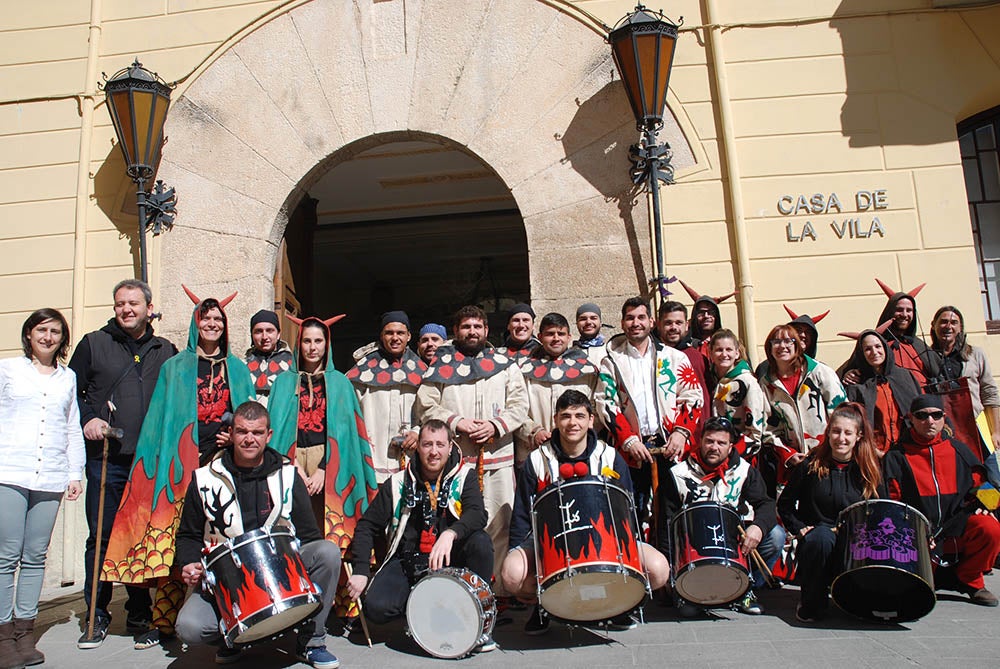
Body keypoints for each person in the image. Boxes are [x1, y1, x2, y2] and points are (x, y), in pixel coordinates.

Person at [100, 287, 255, 644]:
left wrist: (233, 440)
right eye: (206, 318)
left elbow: (250, 419)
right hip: (179, 468)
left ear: (225, 326)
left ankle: (233, 611)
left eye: (218, 319)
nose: (212, 324)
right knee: (175, 543)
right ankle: (164, 622)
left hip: (224, 468)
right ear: (196, 323)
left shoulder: (238, 369)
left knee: (225, 541)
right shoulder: (175, 367)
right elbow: (160, 421)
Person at [174, 401, 342, 667]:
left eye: (257, 432)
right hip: (229, 581)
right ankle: (232, 639)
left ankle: (311, 641)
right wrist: (188, 562)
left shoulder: (288, 476)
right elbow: (187, 535)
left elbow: (310, 536)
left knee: (328, 553)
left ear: (269, 435)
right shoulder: (205, 479)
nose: (249, 439)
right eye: (242, 432)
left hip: (281, 569)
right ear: (231, 434)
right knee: (189, 627)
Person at [501, 391, 670, 634]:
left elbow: (627, 507)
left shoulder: (609, 457)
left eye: (580, 416)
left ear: (591, 420)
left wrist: (629, 547)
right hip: (551, 541)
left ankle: (619, 604)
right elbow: (522, 515)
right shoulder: (538, 459)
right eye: (566, 416)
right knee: (511, 574)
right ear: (556, 420)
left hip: (606, 539)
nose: (573, 423)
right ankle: (544, 606)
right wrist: (518, 548)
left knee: (659, 569)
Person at [69, 279, 176, 649]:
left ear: (149, 307)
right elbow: (72, 394)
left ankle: (140, 612)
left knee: (142, 537)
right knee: (100, 537)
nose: (127, 309)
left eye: (133, 303)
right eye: (120, 304)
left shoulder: (166, 350)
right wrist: (88, 418)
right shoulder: (93, 344)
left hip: (149, 462)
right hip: (108, 460)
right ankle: (96, 615)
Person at [346, 419, 495, 651]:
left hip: (452, 560)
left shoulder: (464, 476)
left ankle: (480, 624)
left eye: (439, 445)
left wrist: (450, 534)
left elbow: (478, 514)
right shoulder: (398, 483)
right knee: (376, 608)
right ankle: (422, 612)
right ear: (418, 447)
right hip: (409, 561)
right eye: (427, 445)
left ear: (449, 446)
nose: (433, 452)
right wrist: (361, 570)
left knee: (481, 543)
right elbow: (367, 526)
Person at [269, 315, 377, 620]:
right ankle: (296, 602)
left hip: (330, 463)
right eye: (307, 341)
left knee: (334, 531)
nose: (312, 347)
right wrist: (293, 468)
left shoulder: (340, 383)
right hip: (291, 462)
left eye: (318, 341)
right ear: (298, 344)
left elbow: (346, 432)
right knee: (298, 532)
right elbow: (276, 428)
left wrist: (323, 470)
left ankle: (341, 604)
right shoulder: (284, 382)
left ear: (326, 344)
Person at [414, 305, 528, 590]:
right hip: (458, 464)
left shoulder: (505, 364)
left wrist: (496, 425)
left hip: (498, 458)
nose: (472, 332)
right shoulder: (440, 366)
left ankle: (497, 592)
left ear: (487, 330)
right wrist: (457, 422)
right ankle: (462, 588)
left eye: (478, 326)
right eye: (466, 327)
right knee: (458, 525)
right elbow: (426, 405)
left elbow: (520, 405)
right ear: (456, 331)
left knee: (501, 525)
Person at [0, 309, 84, 668]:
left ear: (62, 339)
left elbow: (71, 427)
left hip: (50, 475)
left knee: (35, 556)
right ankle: (3, 636)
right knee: (6, 556)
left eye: (55, 331)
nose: (48, 337)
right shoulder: (8, 370)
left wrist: (74, 472)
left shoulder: (68, 377)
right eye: (41, 330)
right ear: (29, 334)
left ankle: (25, 632)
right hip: (10, 471)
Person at [657, 416, 782, 616]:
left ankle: (746, 589)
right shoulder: (678, 474)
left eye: (721, 443)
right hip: (693, 546)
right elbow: (667, 523)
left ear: (730, 447)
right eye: (709, 441)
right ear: (700, 441)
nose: (714, 447)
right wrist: (669, 571)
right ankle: (693, 589)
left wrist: (757, 528)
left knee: (775, 537)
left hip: (735, 542)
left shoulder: (744, 471)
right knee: (688, 612)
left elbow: (766, 504)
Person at [883, 395, 1000, 606]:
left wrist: (987, 505)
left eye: (936, 415)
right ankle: (923, 582)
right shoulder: (896, 456)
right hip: (919, 536)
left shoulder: (959, 450)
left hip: (956, 530)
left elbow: (986, 487)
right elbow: (892, 503)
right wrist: (915, 531)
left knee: (991, 528)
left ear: (944, 418)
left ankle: (971, 580)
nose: (930, 421)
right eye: (922, 416)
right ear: (911, 419)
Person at [596, 297, 703, 528]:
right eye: (630, 318)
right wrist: (628, 440)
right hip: (631, 450)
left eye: (641, 317)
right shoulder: (611, 361)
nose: (636, 323)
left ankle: (671, 561)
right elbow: (606, 403)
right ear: (623, 323)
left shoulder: (675, 358)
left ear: (651, 322)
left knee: (673, 515)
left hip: (670, 446)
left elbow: (693, 397)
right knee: (632, 512)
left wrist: (681, 433)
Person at [777, 403, 884, 622]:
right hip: (820, 534)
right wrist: (799, 528)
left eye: (848, 433)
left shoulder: (869, 469)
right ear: (828, 433)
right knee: (821, 539)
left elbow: (882, 508)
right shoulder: (810, 466)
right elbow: (785, 504)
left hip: (856, 536)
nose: (841, 438)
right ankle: (811, 604)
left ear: (858, 436)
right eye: (836, 431)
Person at [346, 311, 426, 483]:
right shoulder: (362, 372)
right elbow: (348, 414)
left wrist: (418, 431)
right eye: (389, 333)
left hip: (412, 460)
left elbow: (431, 410)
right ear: (381, 336)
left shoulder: (423, 371)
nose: (395, 338)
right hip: (372, 459)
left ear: (409, 336)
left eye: (400, 333)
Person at [758, 324, 846, 480]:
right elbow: (767, 427)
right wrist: (788, 454)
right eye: (776, 342)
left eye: (788, 341)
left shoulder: (819, 372)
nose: (782, 346)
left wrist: (831, 448)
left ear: (797, 345)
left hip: (828, 458)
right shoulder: (766, 384)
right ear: (769, 348)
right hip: (793, 466)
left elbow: (842, 413)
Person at [515, 312, 600, 463]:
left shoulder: (587, 370)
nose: (556, 339)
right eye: (550, 334)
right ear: (540, 337)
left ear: (569, 337)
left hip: (579, 452)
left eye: (561, 334)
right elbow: (516, 408)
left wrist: (579, 434)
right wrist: (534, 431)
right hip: (536, 452)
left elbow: (596, 408)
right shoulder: (523, 371)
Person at [929, 305, 1000, 462]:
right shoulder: (925, 358)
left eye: (954, 322)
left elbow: (990, 392)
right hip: (946, 432)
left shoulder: (976, 354)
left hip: (977, 430)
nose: (948, 326)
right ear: (933, 325)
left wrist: (996, 432)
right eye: (943, 322)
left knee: (993, 480)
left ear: (960, 328)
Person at [841, 329, 922, 454]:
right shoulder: (856, 384)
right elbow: (852, 423)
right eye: (867, 349)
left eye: (878, 346)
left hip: (907, 451)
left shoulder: (905, 376)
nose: (874, 352)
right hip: (874, 452)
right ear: (861, 354)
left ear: (885, 347)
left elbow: (920, 409)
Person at [707, 329, 774, 458]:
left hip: (741, 455)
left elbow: (755, 431)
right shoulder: (714, 380)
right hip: (717, 451)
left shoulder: (747, 382)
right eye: (719, 350)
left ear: (737, 353)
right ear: (711, 353)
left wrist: (733, 454)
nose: (724, 354)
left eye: (729, 350)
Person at [657, 300, 711, 420]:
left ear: (686, 325)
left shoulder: (697, 358)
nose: (673, 327)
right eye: (668, 323)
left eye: (678, 323)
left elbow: (705, 402)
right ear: (658, 324)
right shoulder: (652, 357)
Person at [244, 309, 293, 407]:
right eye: (258, 331)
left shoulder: (292, 364)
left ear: (278, 334)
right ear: (252, 335)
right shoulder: (243, 365)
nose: (264, 337)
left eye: (269, 331)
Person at [677, 280, 736, 353]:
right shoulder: (683, 345)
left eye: (711, 312)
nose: (706, 316)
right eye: (701, 312)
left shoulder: (729, 343)